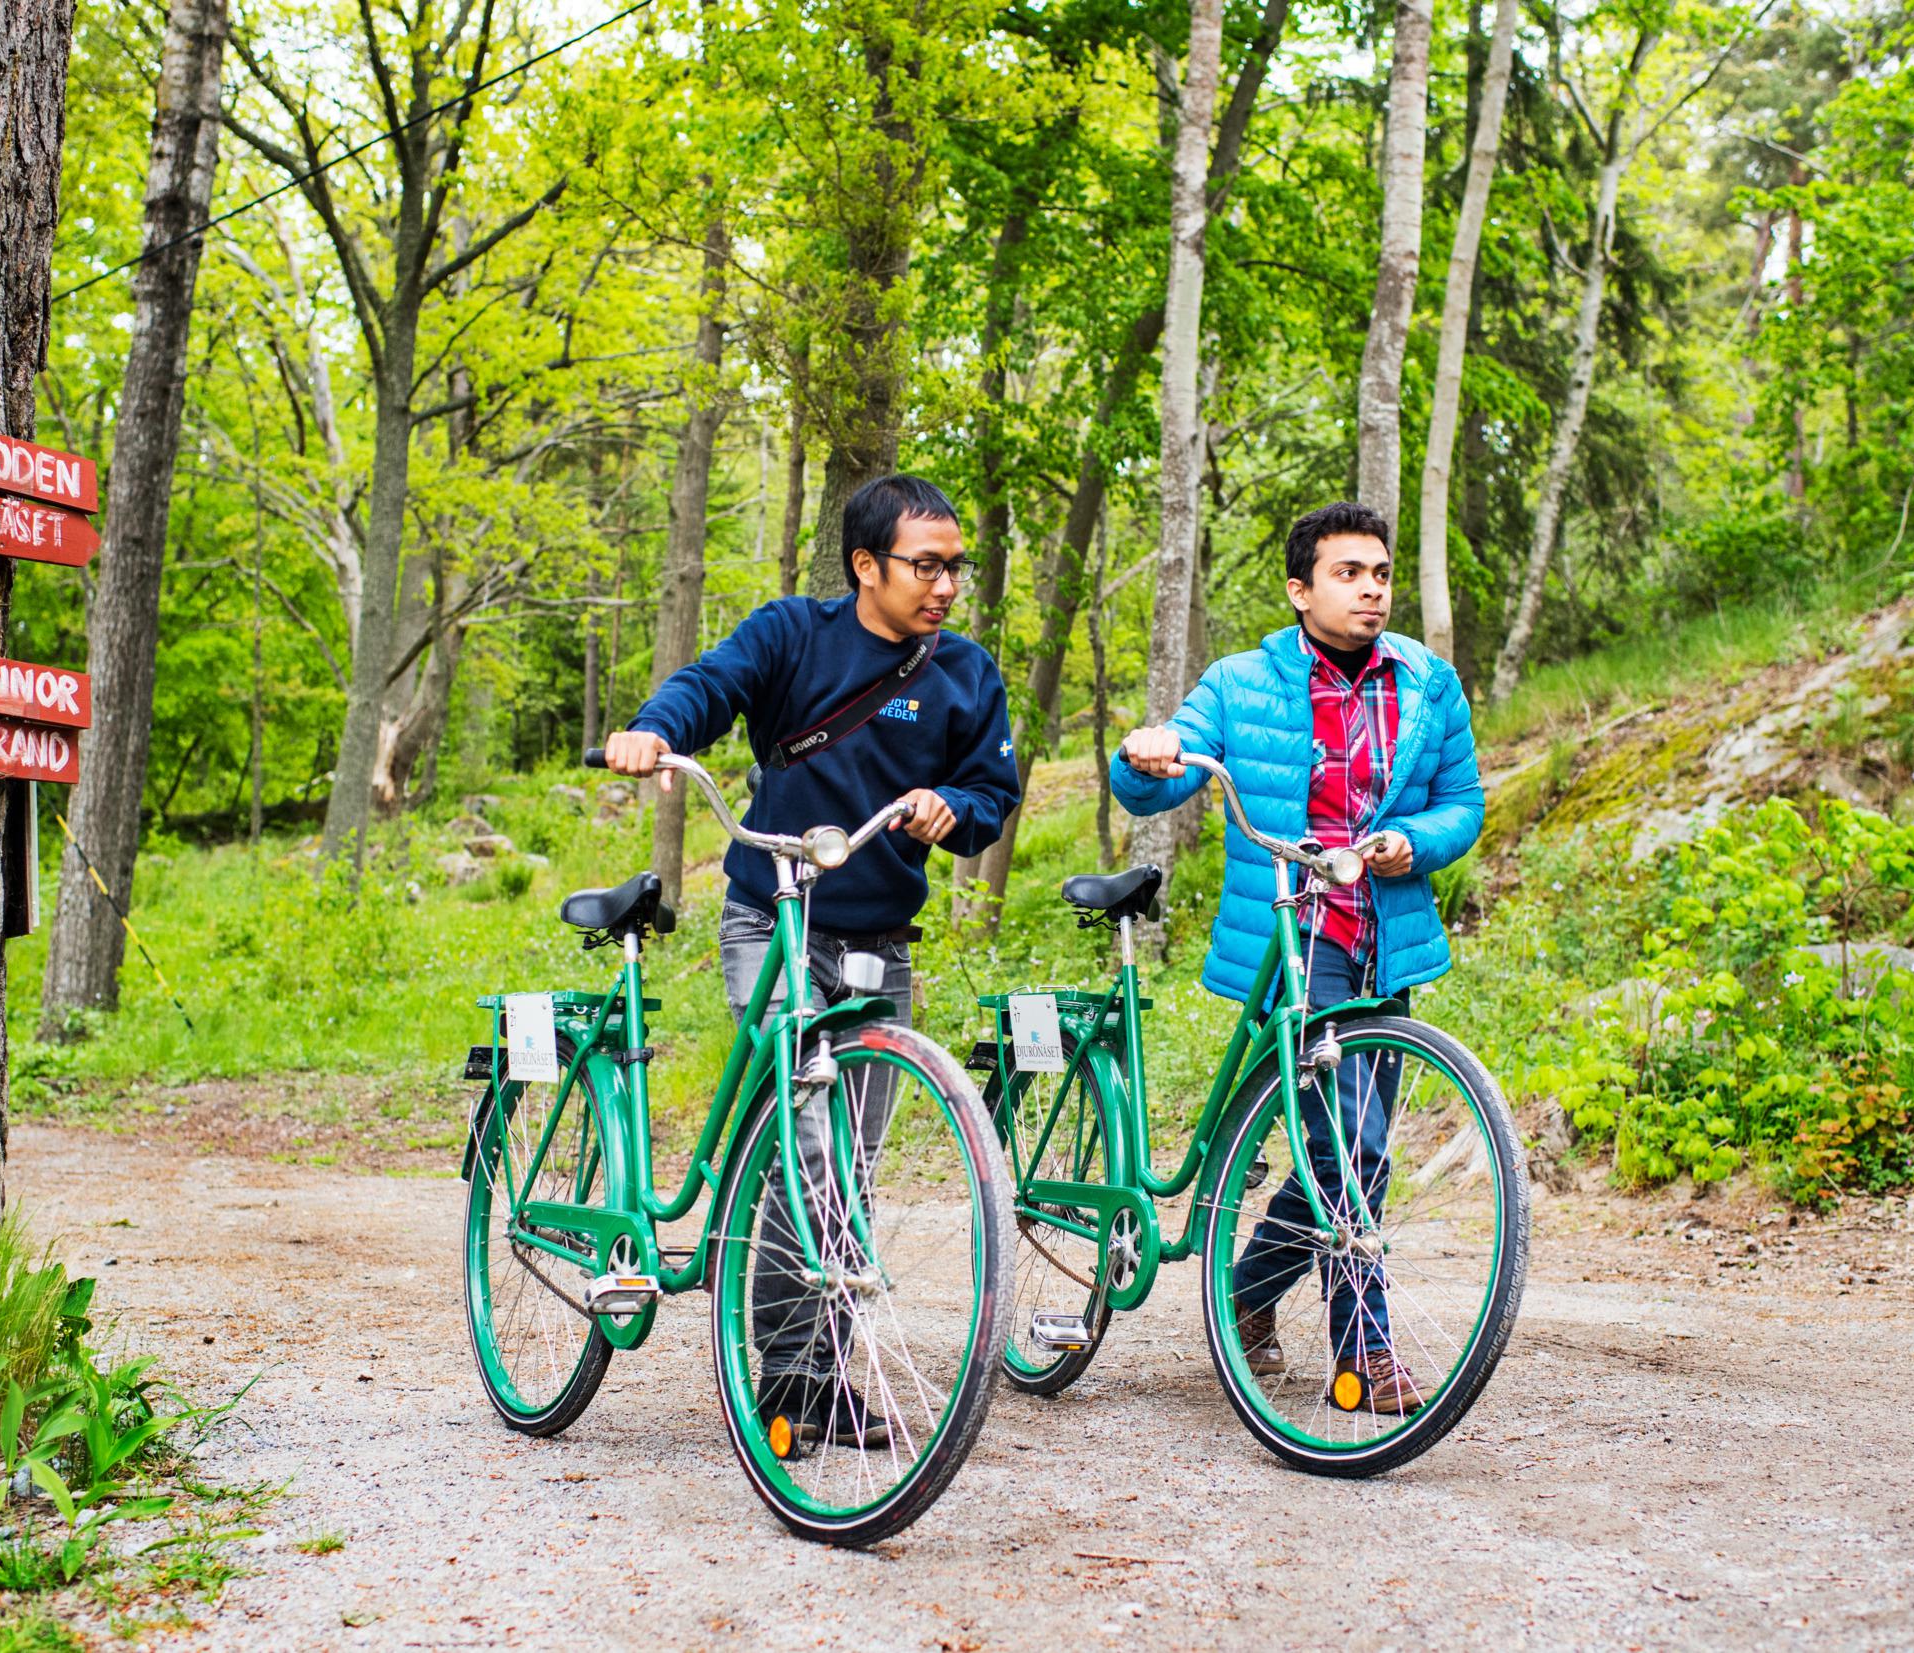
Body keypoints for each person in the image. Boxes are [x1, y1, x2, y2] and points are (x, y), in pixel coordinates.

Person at [601, 473, 1019, 1453]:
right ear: (866, 565)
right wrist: (655, 730)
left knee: (843, 1172)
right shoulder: (794, 633)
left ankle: (809, 1371)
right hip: (774, 926)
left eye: (956, 566)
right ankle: (793, 1384)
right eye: (926, 565)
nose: (946, 585)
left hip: (883, 951)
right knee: (810, 1141)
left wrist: (955, 808)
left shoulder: (965, 674)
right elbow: (711, 685)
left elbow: (991, 787)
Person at [1110, 500, 1484, 1415]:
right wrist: (1148, 750)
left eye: (1381, 574)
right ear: (1300, 587)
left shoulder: (1429, 684)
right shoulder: (1242, 682)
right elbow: (1150, 776)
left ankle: (1242, 1291)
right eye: (1348, 573)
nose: (1370, 590)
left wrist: (1414, 843)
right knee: (1345, 1144)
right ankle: (1368, 1352)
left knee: (1348, 1144)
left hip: (1382, 940)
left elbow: (1462, 802)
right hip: (1292, 937)